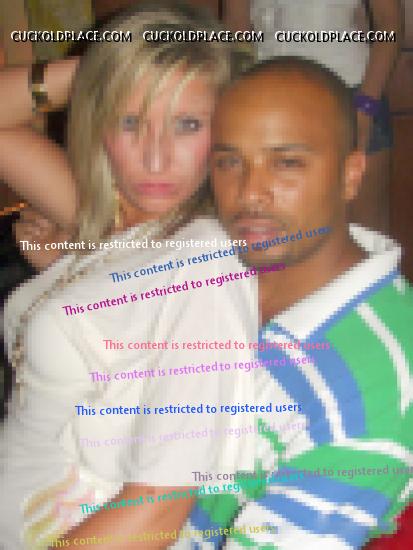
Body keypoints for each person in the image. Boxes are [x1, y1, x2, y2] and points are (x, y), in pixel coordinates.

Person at [0, 3, 257, 549]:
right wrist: (106, 69)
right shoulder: (112, 220)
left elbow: (157, 511)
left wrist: (122, 79)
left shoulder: (200, 262)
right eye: (130, 121)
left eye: (187, 124)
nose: (156, 159)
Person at [178, 56, 413, 549]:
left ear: (351, 175)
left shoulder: (366, 398)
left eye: (286, 163)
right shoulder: (215, 263)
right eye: (229, 162)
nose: (249, 194)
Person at [223, 0, 402, 233]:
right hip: (271, 102)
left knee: (365, 231)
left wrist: (366, 106)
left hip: (353, 96)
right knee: (286, 226)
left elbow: (389, 24)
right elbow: (236, 27)